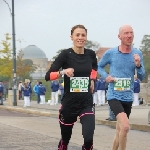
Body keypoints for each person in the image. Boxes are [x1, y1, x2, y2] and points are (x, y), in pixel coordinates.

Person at [45, 24, 97, 150]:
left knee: (89, 139)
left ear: (86, 37)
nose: (80, 37)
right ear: (71, 37)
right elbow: (48, 76)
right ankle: (63, 144)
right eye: (77, 35)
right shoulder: (65, 54)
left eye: (83, 35)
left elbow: (94, 68)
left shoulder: (91, 54)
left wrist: (92, 80)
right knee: (66, 139)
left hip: (86, 102)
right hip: (69, 103)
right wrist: (63, 72)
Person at [98, 25, 145, 150]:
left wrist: (138, 65)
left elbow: (141, 76)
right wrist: (106, 76)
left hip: (128, 96)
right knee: (125, 126)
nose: (129, 35)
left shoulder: (137, 53)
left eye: (131, 33)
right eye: (126, 33)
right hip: (114, 95)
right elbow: (99, 67)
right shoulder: (111, 53)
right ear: (119, 36)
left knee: (120, 130)